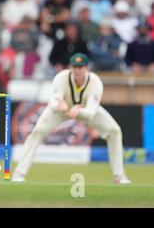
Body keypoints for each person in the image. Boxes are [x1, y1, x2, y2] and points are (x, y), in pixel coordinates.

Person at [11, 53, 131, 184]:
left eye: (81, 67)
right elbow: (53, 101)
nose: (77, 70)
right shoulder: (61, 77)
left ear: (87, 68)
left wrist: (78, 110)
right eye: (75, 67)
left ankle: (119, 176)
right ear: (70, 67)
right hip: (61, 110)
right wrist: (60, 104)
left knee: (114, 130)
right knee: (38, 131)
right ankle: (19, 173)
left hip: (83, 110)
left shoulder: (95, 82)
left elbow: (91, 112)